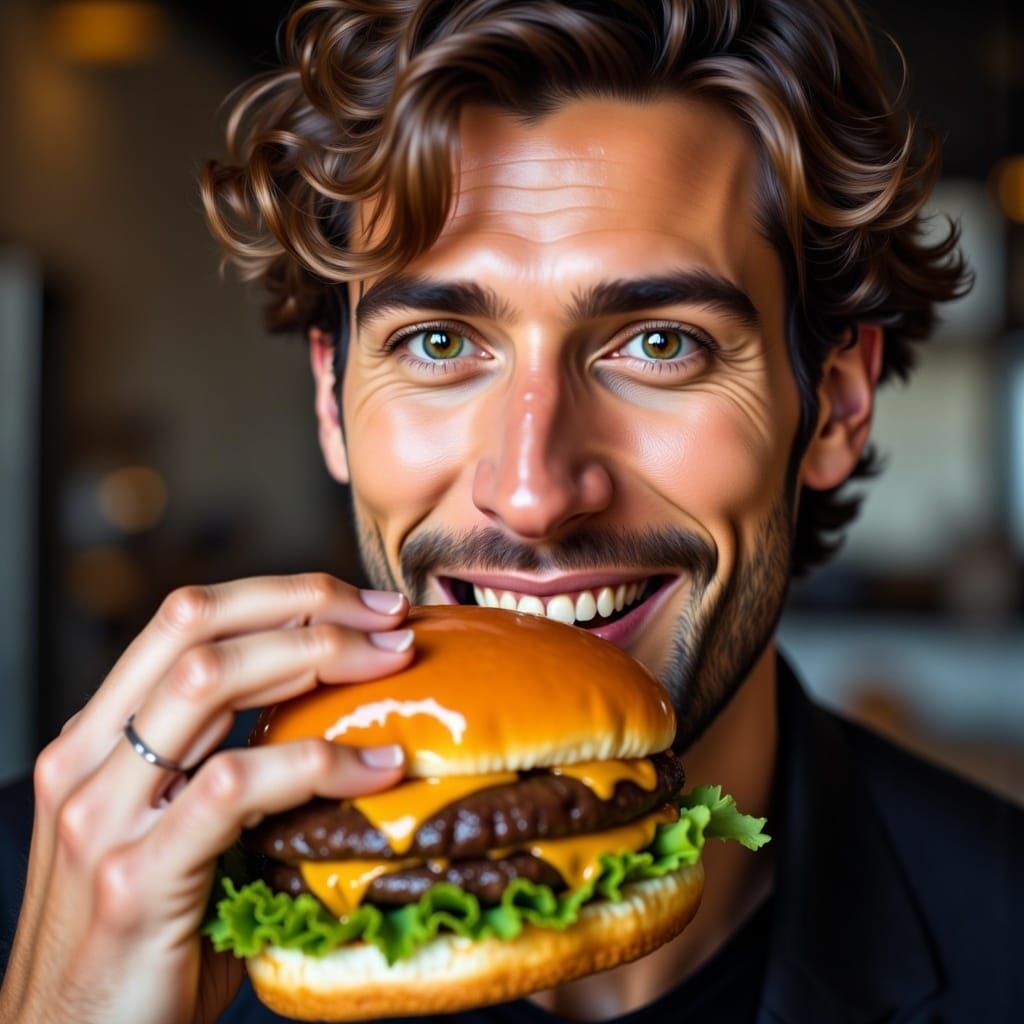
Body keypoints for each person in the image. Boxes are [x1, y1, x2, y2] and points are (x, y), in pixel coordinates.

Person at [0, 0, 1020, 1020]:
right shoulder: (47, 917)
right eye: (440, 345)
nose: (531, 493)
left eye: (661, 343)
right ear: (331, 399)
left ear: (836, 403)